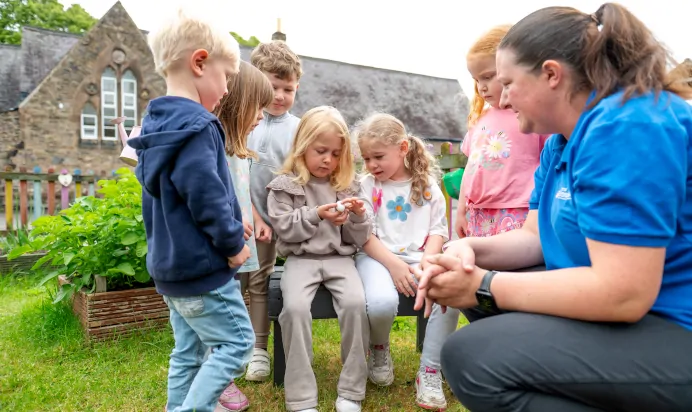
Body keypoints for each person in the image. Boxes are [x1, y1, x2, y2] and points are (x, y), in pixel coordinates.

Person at [415, 3, 692, 412]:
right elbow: (533, 237)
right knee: (479, 298)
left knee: (471, 358)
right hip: (643, 314)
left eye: (508, 83)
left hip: (673, 323)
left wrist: (483, 285)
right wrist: (469, 250)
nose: (503, 99)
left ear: (550, 74)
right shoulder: (563, 140)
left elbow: (624, 293)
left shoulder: (629, 128)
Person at [412, 24, 549, 411]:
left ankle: (508, 363)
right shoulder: (481, 121)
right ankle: (442, 365)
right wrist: (461, 214)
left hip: (518, 220)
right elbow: (472, 171)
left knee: (502, 297)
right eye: (478, 80)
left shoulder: (534, 121)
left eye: (490, 77)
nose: (485, 87)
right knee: (462, 293)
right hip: (478, 219)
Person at [128, 8, 254, 412]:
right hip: (203, 272)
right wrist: (233, 243)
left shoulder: (154, 125)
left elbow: (176, 195)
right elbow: (206, 196)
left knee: (188, 351)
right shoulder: (199, 126)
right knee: (237, 344)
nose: (228, 89)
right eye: (227, 77)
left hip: (170, 270)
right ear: (200, 62)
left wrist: (234, 223)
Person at [267, 106, 371, 412]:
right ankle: (300, 397)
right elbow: (284, 227)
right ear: (302, 148)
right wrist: (316, 214)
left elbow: (356, 239)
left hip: (340, 261)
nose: (328, 159)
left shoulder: (347, 186)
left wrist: (358, 218)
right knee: (295, 309)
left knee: (355, 305)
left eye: (336, 153)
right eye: (321, 151)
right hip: (301, 261)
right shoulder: (285, 186)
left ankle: (351, 390)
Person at [351, 113, 448, 394]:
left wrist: (428, 265)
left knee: (448, 296)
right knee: (381, 303)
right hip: (377, 258)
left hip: (420, 259)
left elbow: (438, 230)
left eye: (378, 156)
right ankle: (379, 347)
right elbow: (364, 235)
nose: (371, 165)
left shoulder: (427, 185)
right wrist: (394, 266)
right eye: (367, 158)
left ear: (403, 148)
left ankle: (430, 369)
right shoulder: (367, 185)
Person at [212, 61, 274, 412]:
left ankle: (220, 378)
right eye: (258, 107)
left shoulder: (237, 146)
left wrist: (253, 216)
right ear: (236, 103)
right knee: (220, 316)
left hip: (238, 236)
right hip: (221, 243)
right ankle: (218, 381)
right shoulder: (213, 144)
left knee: (226, 308)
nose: (262, 117)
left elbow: (239, 190)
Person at [245, 40, 303, 382]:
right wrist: (254, 215)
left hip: (289, 218)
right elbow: (235, 174)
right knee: (254, 282)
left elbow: (302, 176)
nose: (280, 95)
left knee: (291, 282)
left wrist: (287, 216)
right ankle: (256, 349)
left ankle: (293, 343)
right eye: (272, 87)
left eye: (288, 89)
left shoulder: (298, 129)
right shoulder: (244, 122)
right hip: (251, 220)